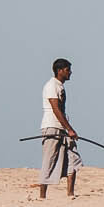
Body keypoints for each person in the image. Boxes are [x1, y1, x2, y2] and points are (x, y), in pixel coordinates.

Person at [38, 58, 78, 199]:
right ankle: (42, 196)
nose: (70, 73)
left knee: (73, 158)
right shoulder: (51, 86)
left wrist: (67, 129)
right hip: (52, 127)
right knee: (49, 160)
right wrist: (70, 129)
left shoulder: (60, 86)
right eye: (68, 70)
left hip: (62, 128)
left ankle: (70, 194)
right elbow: (56, 109)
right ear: (60, 71)